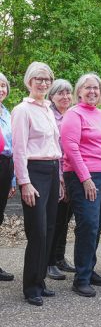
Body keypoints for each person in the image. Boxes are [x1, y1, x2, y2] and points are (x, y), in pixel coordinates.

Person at [62, 73, 101, 298]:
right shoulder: (73, 114)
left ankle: (89, 269)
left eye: (96, 88)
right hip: (83, 176)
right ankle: (81, 279)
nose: (92, 91)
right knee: (87, 225)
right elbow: (71, 148)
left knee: (97, 224)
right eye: (87, 88)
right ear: (79, 91)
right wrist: (86, 179)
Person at [12, 62, 62, 306]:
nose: (43, 83)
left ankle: (40, 281)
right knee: (38, 231)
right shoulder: (22, 110)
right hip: (35, 172)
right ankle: (30, 286)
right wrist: (25, 182)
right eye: (38, 79)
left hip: (52, 171)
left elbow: (55, 146)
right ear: (29, 81)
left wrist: (60, 177)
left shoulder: (49, 109)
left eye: (47, 79)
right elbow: (19, 149)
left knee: (50, 229)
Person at [46, 79, 76, 281]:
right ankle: (48, 262)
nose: (65, 97)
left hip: (73, 173)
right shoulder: (49, 116)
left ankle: (59, 257)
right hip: (56, 173)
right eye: (60, 93)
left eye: (68, 93)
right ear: (51, 96)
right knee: (54, 220)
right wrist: (60, 180)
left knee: (65, 219)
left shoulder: (73, 115)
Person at [0, 72, 16, 282]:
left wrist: (12, 178)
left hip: (5, 165)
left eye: (4, 86)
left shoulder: (6, 112)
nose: (1, 89)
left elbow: (12, 146)